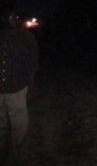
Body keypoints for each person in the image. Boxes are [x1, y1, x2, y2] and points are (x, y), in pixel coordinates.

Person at [0, 9, 39, 164]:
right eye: (8, 18)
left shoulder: (26, 37)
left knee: (19, 128)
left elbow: (32, 63)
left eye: (14, 18)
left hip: (17, 88)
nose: (11, 20)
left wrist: (30, 85)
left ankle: (18, 160)